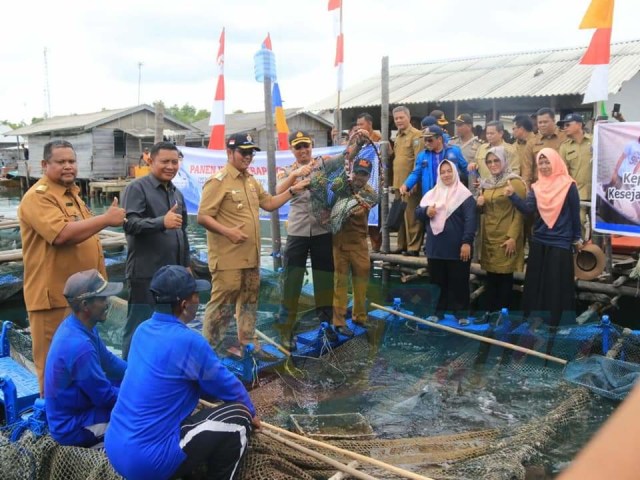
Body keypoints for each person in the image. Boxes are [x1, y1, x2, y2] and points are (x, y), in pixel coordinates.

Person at [105, 265, 258, 480]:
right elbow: (227, 385)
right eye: (195, 295)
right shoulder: (189, 341)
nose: (198, 299)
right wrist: (253, 413)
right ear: (184, 304)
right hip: (147, 463)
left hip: (114, 446)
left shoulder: (142, 330)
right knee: (239, 416)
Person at [18, 139, 125, 393]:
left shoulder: (74, 195)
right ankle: (52, 421)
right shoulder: (38, 197)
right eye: (60, 162)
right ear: (45, 164)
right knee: (53, 364)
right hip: (53, 299)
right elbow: (63, 235)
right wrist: (106, 219)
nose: (68, 166)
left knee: (84, 357)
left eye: (71, 161)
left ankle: (81, 413)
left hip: (82, 298)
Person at [197, 133, 309, 361]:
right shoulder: (218, 181)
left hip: (251, 257)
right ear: (230, 153)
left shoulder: (250, 180)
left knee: (249, 302)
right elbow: (203, 216)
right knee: (222, 305)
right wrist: (228, 232)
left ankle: (249, 343)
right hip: (228, 259)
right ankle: (209, 354)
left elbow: (268, 203)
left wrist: (292, 191)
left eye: (251, 152)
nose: (248, 157)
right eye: (243, 152)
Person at [120, 141, 190, 360]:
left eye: (174, 161)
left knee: (169, 326)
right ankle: (128, 374)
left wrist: (186, 265)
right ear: (151, 160)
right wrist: (162, 222)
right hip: (145, 274)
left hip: (172, 276)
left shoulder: (177, 193)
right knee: (138, 327)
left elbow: (183, 231)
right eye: (165, 161)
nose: (170, 166)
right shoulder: (137, 188)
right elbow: (129, 224)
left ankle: (158, 370)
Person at [45, 269, 126, 447]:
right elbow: (104, 398)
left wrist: (140, 375)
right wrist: (144, 395)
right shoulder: (80, 347)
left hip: (80, 407)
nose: (108, 303)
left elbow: (110, 363)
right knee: (143, 417)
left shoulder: (80, 326)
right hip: (72, 427)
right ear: (85, 305)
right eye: (103, 299)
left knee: (129, 387)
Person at [505, 148, 582, 329]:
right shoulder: (536, 187)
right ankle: (535, 318)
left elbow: (574, 213)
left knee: (557, 283)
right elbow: (528, 209)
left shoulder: (568, 185)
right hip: (540, 239)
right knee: (536, 282)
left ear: (555, 162)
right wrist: (513, 196)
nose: (544, 166)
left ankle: (556, 322)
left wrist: (577, 238)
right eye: (541, 162)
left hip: (561, 241)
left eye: (547, 162)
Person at [274, 130, 333, 350]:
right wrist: (295, 175)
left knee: (324, 279)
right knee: (292, 281)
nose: (303, 150)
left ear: (312, 146)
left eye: (306, 146)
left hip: (322, 231)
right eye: (298, 147)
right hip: (297, 231)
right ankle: (286, 329)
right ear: (292, 150)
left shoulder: (324, 164)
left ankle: (326, 324)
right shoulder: (286, 171)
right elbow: (277, 191)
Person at [415, 160, 476, 319]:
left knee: (460, 282)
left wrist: (467, 242)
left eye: (449, 171)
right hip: (436, 247)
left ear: (455, 173)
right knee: (437, 282)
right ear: (439, 175)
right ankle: (437, 312)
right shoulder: (432, 194)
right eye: (443, 172)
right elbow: (417, 212)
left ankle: (461, 314)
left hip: (458, 248)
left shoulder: (465, 196)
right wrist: (426, 210)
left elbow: (470, 220)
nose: (446, 174)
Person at [329, 156, 378, 337]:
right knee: (340, 283)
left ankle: (360, 317)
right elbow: (332, 191)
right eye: (357, 172)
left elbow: (359, 210)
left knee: (361, 282)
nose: (359, 177)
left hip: (359, 244)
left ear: (368, 176)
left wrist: (350, 207)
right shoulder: (342, 185)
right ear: (353, 172)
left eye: (364, 174)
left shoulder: (370, 193)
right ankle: (339, 321)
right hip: (339, 243)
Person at [476, 147, 526, 313]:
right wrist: (480, 204)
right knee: (491, 276)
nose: (493, 164)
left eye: (496, 160)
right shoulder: (487, 183)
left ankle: (503, 315)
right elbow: (484, 211)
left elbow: (520, 212)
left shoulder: (514, 182)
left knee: (505, 277)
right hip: (489, 235)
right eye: (489, 161)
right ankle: (491, 314)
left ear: (504, 161)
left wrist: (513, 237)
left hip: (506, 236)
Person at [400, 126, 469, 223]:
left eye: (430, 140)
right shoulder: (423, 155)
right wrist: (406, 185)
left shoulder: (454, 151)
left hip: (451, 196)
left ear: (439, 139)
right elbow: (416, 173)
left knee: (451, 224)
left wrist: (475, 178)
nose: (427, 143)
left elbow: (466, 169)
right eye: (425, 140)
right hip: (431, 196)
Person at [391, 106, 424, 256]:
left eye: (401, 117)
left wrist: (414, 182)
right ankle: (401, 244)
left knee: (412, 216)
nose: (399, 120)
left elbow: (419, 160)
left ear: (408, 117)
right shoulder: (397, 137)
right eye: (396, 118)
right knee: (400, 215)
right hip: (398, 183)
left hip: (410, 183)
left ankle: (413, 247)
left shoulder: (417, 136)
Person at [558, 113, 592, 233]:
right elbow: (562, 172)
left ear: (578, 125)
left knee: (598, 230)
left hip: (597, 193)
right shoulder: (565, 147)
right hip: (578, 193)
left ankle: (597, 251)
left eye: (568, 124)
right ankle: (579, 251)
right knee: (579, 223)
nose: (565, 128)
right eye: (564, 125)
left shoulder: (594, 140)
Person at [355, 113, 383, 252]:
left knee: (375, 223)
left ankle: (376, 249)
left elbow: (387, 154)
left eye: (361, 124)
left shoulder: (379, 141)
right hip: (360, 187)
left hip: (375, 186)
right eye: (357, 125)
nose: (359, 127)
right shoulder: (358, 143)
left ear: (369, 124)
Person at [522, 108, 566, 189]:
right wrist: (526, 189)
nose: (542, 125)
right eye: (540, 122)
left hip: (561, 186)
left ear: (553, 121)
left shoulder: (565, 137)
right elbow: (527, 170)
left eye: (545, 122)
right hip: (539, 187)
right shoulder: (532, 142)